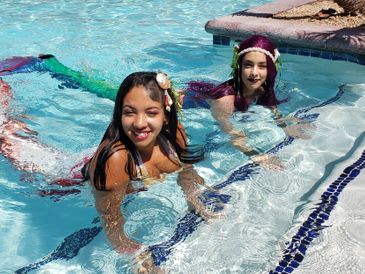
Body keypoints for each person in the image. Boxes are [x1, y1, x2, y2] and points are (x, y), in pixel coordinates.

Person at [83, 71, 219, 270]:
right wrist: (142, 263)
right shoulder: (115, 160)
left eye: (151, 112)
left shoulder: (174, 134)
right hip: (68, 184)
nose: (139, 123)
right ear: (119, 114)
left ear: (165, 114)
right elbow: (111, 220)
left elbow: (187, 172)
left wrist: (196, 201)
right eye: (129, 112)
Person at [184, 35, 309, 166]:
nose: (254, 73)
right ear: (239, 67)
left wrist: (286, 126)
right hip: (189, 103)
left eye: (262, 66)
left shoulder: (261, 89)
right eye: (248, 65)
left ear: (270, 70)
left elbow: (272, 108)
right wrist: (259, 156)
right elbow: (233, 137)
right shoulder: (225, 101)